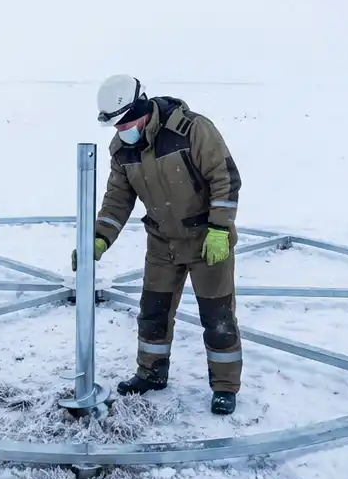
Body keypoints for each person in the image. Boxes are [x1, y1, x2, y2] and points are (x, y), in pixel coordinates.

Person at [72, 74, 243, 415]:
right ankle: (151, 374)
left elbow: (225, 178)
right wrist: (99, 238)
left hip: (207, 240)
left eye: (124, 123)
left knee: (218, 317)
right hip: (163, 243)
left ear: (140, 110)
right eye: (116, 126)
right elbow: (117, 200)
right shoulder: (123, 150)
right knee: (153, 312)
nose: (121, 131)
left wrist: (219, 228)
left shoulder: (192, 130)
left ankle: (225, 386)